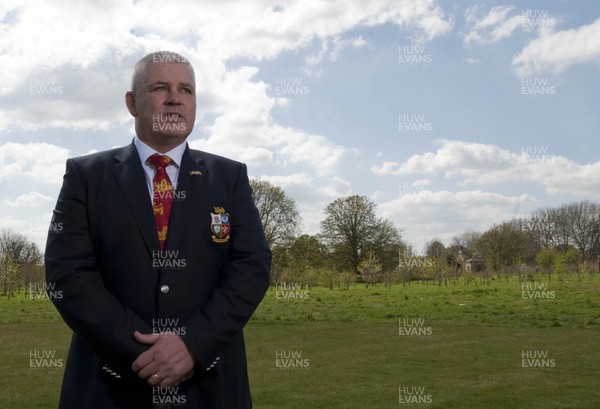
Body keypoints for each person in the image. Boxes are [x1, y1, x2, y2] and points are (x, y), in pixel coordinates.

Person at [45, 51, 272, 408]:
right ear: (132, 103)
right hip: (109, 388)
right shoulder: (86, 176)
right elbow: (68, 275)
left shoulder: (230, 177)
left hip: (210, 386)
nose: (175, 98)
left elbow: (251, 267)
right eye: (160, 87)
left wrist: (191, 345)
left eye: (186, 90)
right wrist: (144, 353)